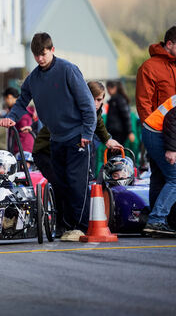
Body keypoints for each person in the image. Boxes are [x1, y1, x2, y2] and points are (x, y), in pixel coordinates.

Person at [1, 32, 96, 242]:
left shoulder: (68, 70)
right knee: (60, 184)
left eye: (43, 54)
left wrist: (87, 133)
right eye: (36, 55)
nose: (40, 59)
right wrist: (11, 118)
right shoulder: (33, 78)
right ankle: (64, 226)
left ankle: (79, 228)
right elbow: (21, 101)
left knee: (76, 184)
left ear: (52, 50)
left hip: (78, 137)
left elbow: (87, 103)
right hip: (56, 138)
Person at [32, 81, 122, 239]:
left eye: (99, 100)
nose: (95, 104)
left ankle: (67, 224)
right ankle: (63, 224)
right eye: (92, 99)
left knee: (70, 185)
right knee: (62, 185)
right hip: (45, 152)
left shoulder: (93, 111)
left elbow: (97, 121)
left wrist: (108, 139)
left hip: (64, 151)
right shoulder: (73, 108)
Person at [136, 26, 176, 217]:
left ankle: (161, 220)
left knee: (164, 175)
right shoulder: (149, 67)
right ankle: (157, 218)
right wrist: (151, 130)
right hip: (158, 131)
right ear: (169, 44)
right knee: (165, 175)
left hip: (173, 132)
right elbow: (143, 102)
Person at [140, 95, 176, 236]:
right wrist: (172, 149)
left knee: (160, 177)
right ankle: (156, 219)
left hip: (153, 131)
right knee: (174, 179)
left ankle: (155, 223)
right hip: (157, 132)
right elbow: (172, 120)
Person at [3, 87, 34, 154]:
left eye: (5, 99)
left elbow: (24, 133)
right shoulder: (18, 111)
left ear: (9, 97)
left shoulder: (19, 112)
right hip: (20, 149)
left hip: (23, 150)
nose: (5, 102)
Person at [106, 80, 134, 145]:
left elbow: (126, 116)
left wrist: (130, 132)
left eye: (109, 89)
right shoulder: (113, 100)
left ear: (115, 88)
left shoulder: (119, 100)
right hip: (114, 131)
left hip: (119, 132)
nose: (108, 91)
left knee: (116, 151)